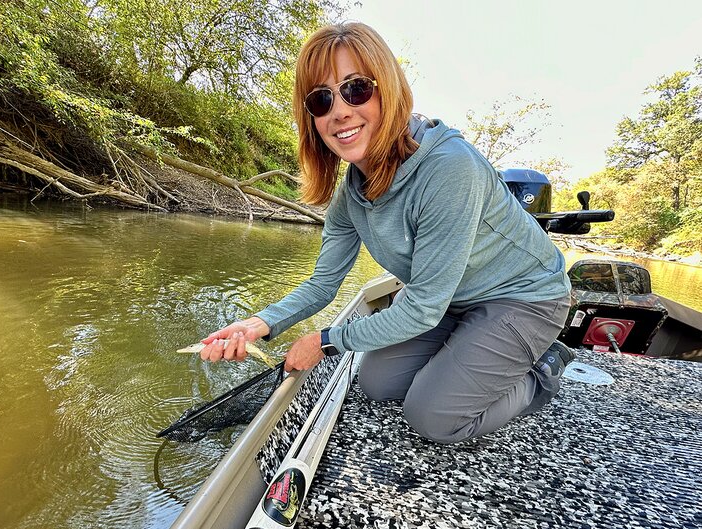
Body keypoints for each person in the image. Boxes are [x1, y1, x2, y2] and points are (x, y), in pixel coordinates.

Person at [199, 22, 574, 444]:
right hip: (448, 301)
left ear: (388, 89)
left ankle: (542, 371)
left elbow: (421, 310)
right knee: (377, 384)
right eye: (321, 99)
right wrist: (258, 325)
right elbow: (323, 284)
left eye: (355, 89)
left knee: (432, 417)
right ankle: (475, 350)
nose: (339, 111)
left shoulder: (450, 168)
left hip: (524, 299)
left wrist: (326, 340)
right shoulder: (351, 193)